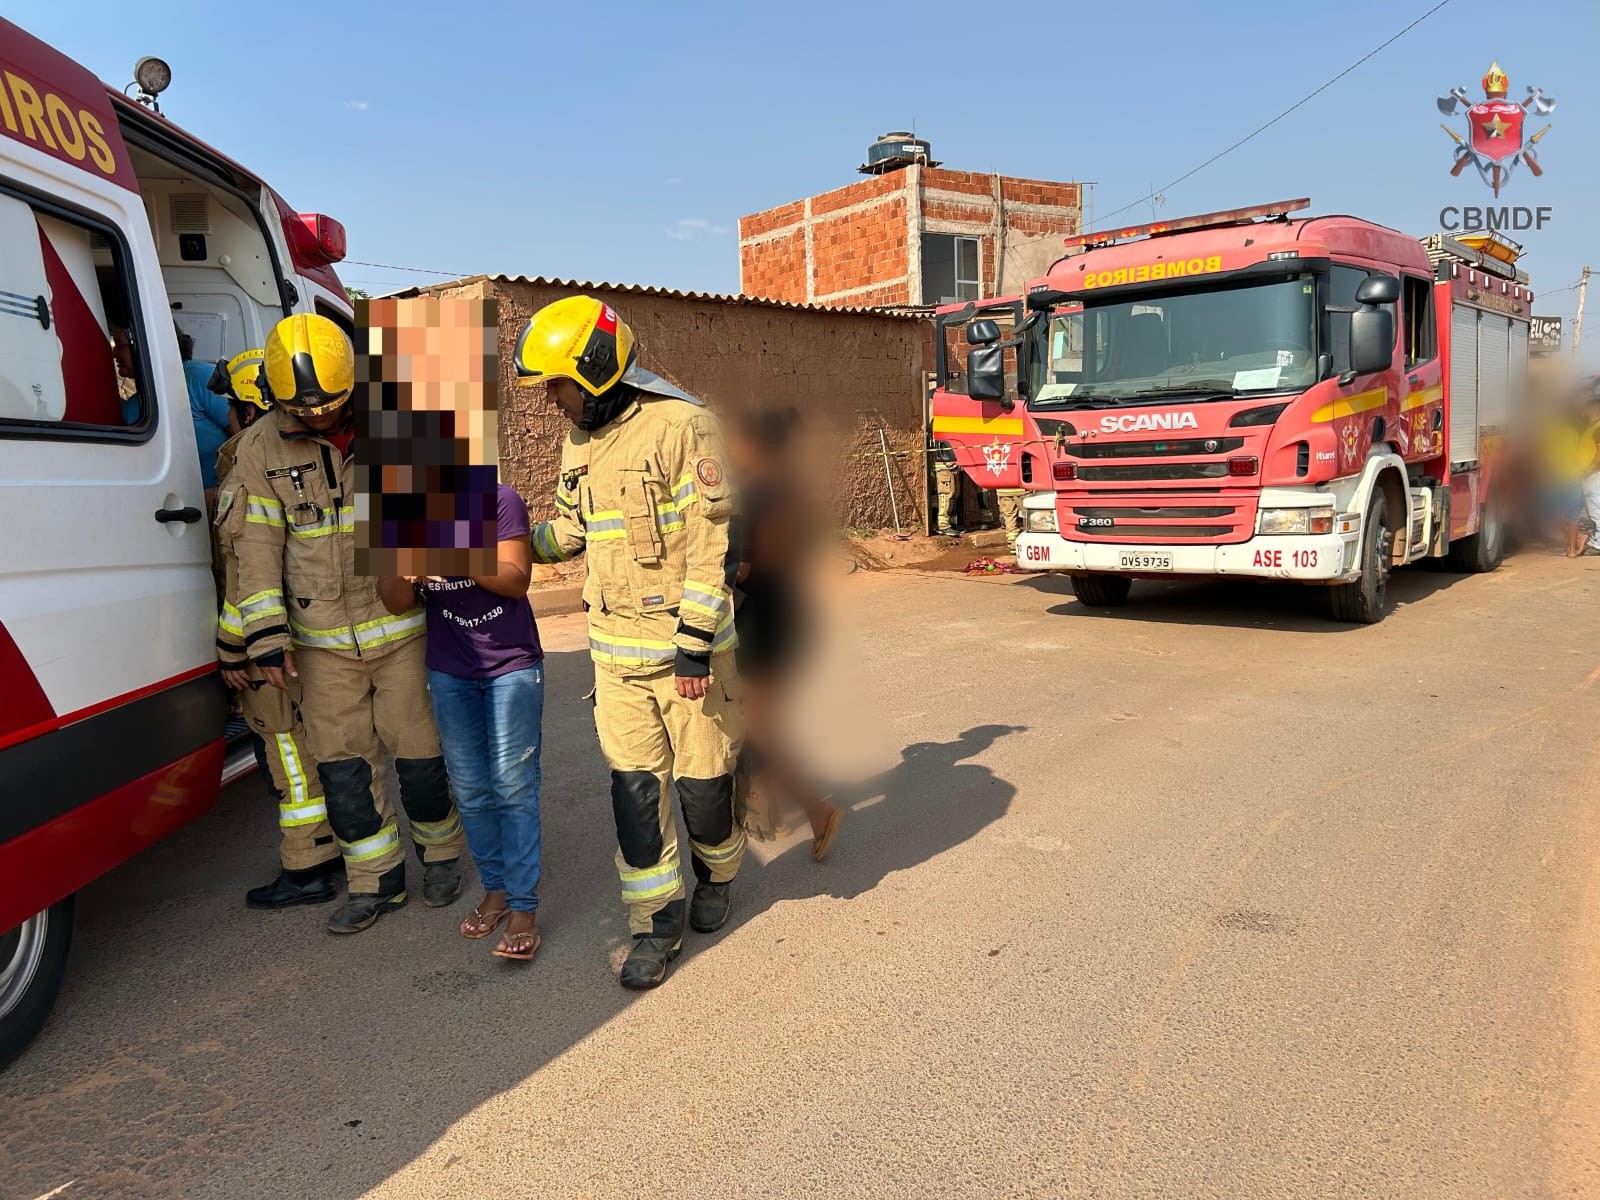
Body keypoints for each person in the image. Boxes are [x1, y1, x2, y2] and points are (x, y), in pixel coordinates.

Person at [516, 295, 744, 990]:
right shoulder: (578, 443)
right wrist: (510, 538)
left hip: (685, 656)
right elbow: (570, 532)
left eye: (555, 385)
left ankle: (721, 868)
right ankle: (656, 923)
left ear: (591, 370)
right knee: (636, 795)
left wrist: (696, 647)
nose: (550, 401)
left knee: (704, 792)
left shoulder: (685, 426)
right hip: (614, 656)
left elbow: (713, 549)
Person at [231, 313, 467, 934]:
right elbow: (256, 548)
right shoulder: (259, 449)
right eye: (300, 409)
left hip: (404, 632)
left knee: (421, 758)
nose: (314, 418)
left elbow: (443, 521)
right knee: (343, 771)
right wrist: (265, 639)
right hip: (320, 644)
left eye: (328, 405)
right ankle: (375, 882)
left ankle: (441, 857)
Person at [377, 483, 546, 962]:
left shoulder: (499, 500)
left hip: (511, 666)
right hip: (449, 669)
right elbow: (392, 601)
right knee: (471, 789)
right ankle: (496, 889)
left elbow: (516, 580)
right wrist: (403, 573)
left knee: (512, 786)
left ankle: (523, 907)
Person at [212, 348, 342, 909]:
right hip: (301, 629)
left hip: (271, 645)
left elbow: (245, 568)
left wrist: (233, 647)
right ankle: (335, 844)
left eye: (232, 404)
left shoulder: (246, 457)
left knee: (285, 745)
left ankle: (308, 863)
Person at [728, 406, 842, 858]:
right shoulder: (790, 487)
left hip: (762, 616)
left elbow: (749, 565)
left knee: (758, 727)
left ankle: (817, 811)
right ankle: (768, 813)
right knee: (761, 722)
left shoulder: (756, 492)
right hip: (786, 610)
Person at [931, 439, 962, 536]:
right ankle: (943, 525)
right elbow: (942, 447)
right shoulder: (940, 429)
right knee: (946, 496)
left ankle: (951, 522)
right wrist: (951, 464)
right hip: (944, 467)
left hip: (951, 466)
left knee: (954, 495)